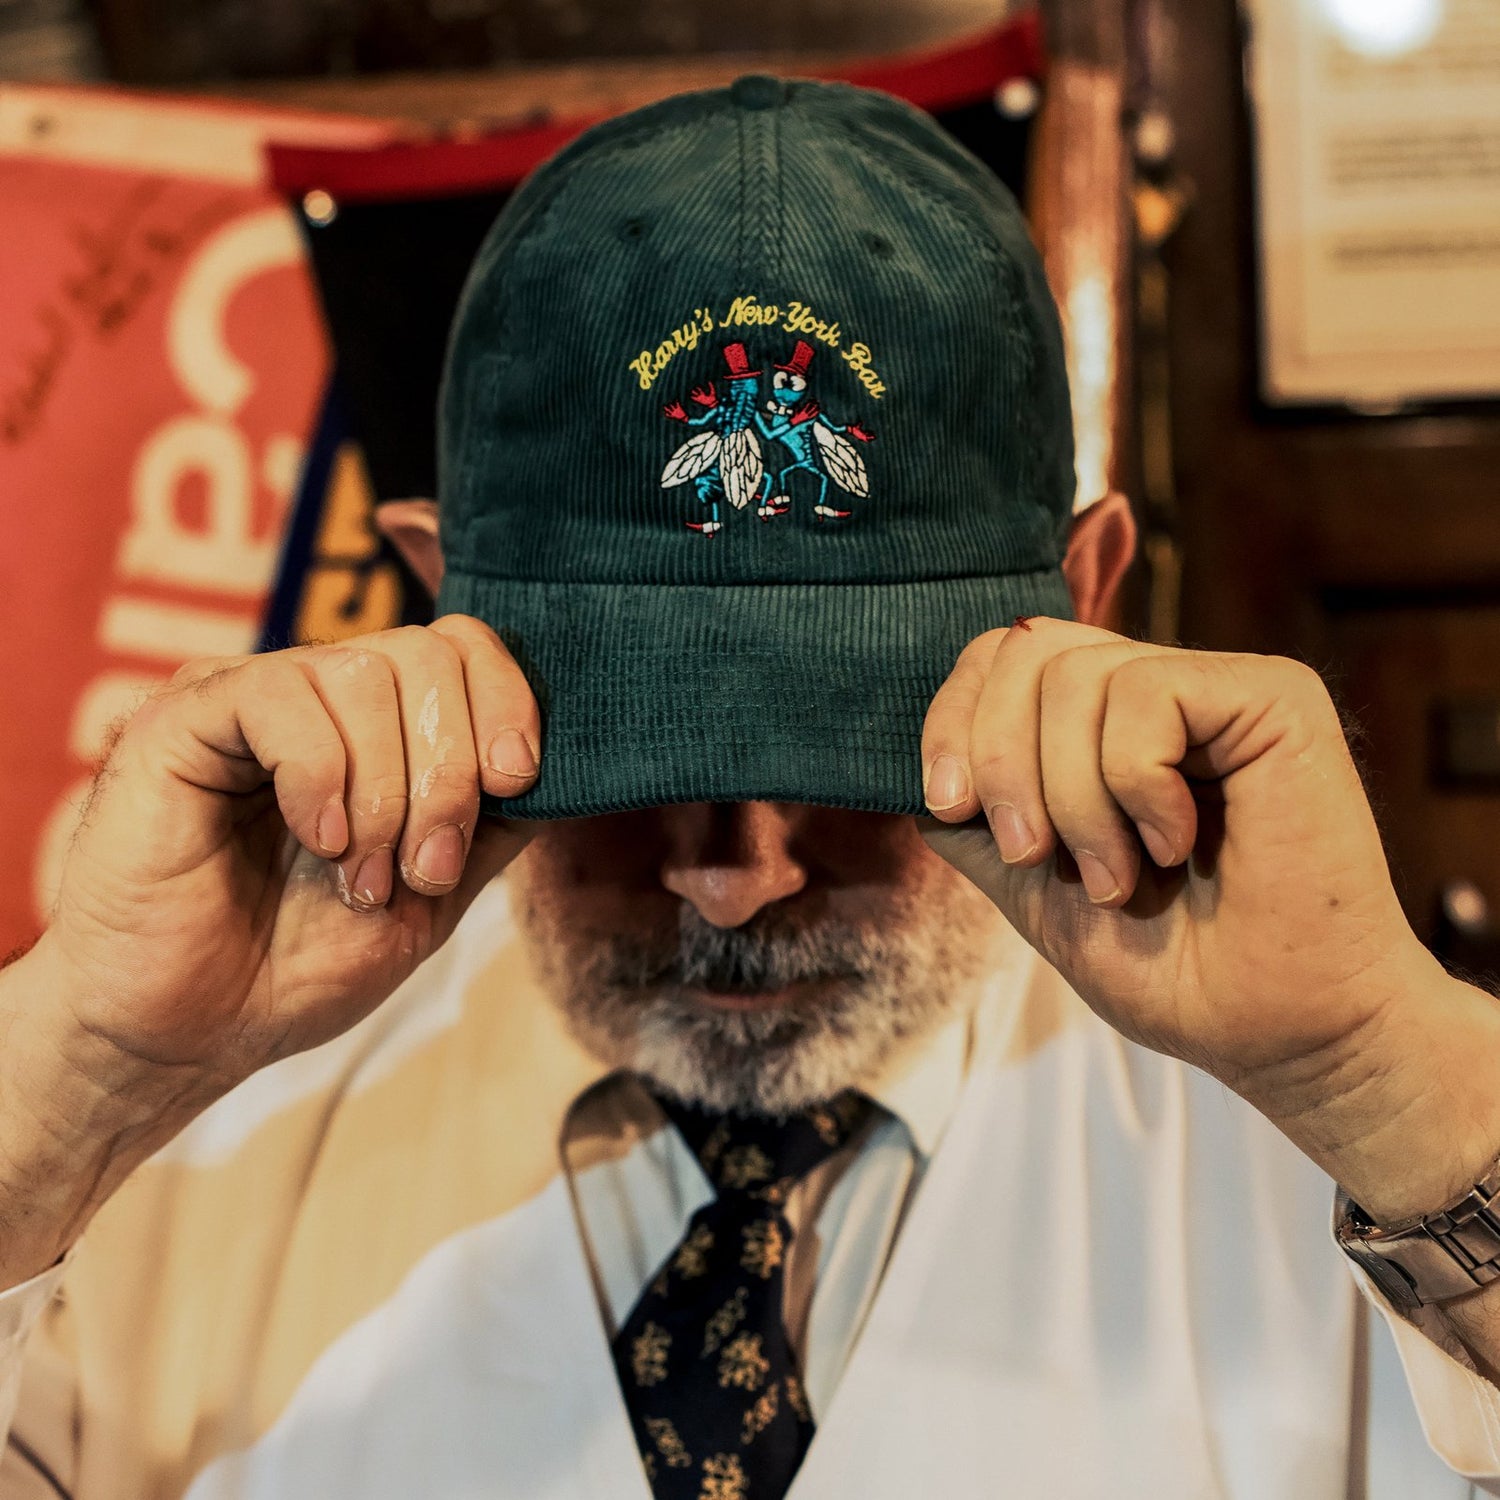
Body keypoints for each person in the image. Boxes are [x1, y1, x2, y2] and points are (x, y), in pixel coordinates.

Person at [1, 75, 1499, 1500]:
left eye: (854, 743)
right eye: (628, 746)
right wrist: (76, 1067)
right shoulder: (155, 1164)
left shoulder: (1342, 1152)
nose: (740, 873)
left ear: (1090, 602)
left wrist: (1383, 1060)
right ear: (428, 596)